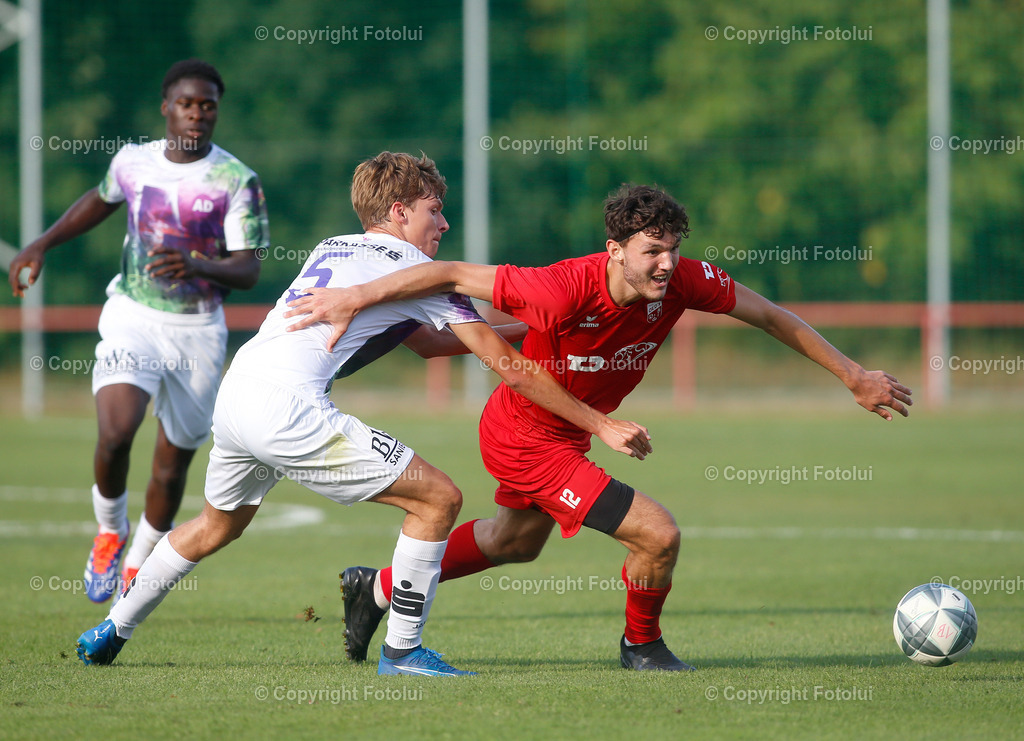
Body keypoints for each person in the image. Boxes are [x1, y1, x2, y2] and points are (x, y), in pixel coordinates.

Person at [284, 183, 914, 672]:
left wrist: (853, 374)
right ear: (615, 251)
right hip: (524, 434)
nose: (667, 264)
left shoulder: (684, 281)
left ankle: (379, 585)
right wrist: (355, 298)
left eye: (673, 248)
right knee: (658, 534)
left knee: (513, 542)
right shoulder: (559, 288)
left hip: (562, 434)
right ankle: (642, 647)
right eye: (652, 251)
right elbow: (448, 274)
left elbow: (773, 317)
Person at [74, 152, 651, 677]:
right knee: (439, 498)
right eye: (434, 210)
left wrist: (532, 328)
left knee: (213, 526)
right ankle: (402, 650)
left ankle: (112, 627)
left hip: (239, 392)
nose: (443, 224)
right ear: (399, 211)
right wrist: (599, 422)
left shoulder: (335, 246)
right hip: (288, 409)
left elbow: (425, 344)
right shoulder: (413, 266)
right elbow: (507, 367)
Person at [8, 59, 269, 604]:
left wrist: (199, 265)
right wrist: (42, 244)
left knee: (172, 467)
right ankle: (109, 530)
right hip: (133, 316)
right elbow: (99, 201)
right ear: (166, 108)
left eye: (208, 106)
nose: (197, 114)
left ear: (216, 112)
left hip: (198, 332)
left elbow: (247, 268)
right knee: (116, 430)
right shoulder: (134, 162)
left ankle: (139, 558)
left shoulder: (235, 180)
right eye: (187, 104)